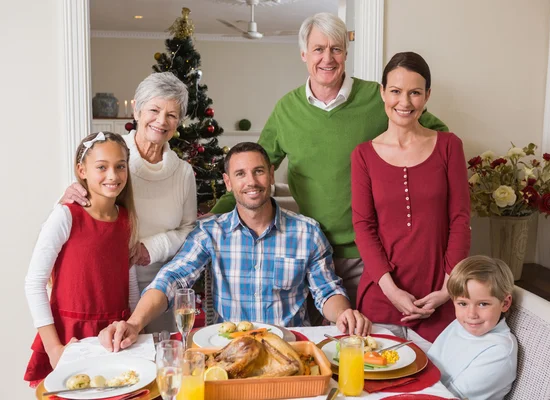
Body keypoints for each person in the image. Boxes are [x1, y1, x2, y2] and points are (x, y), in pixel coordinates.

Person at [210, 13, 448, 312]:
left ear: (346, 54)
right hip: (312, 251)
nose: (327, 58)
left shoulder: (379, 97)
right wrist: (214, 213)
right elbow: (253, 169)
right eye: (318, 49)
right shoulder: (287, 109)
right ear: (303, 54)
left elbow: (436, 134)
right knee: (324, 341)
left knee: (370, 341)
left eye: (336, 49)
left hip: (374, 252)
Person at [98, 142, 372, 352]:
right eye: (240, 174)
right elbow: (171, 279)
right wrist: (134, 323)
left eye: (258, 171)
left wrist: (344, 314)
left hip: (290, 350)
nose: (251, 182)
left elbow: (327, 291)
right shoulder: (211, 232)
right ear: (228, 183)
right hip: (228, 351)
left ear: (271, 175)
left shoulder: (307, 232)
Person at [60, 72, 197, 333]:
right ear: (136, 110)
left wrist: (150, 248)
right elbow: (79, 209)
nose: (161, 121)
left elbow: (189, 230)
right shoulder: (110, 158)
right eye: (154, 110)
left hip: (159, 285)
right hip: (106, 279)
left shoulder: (182, 173)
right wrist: (67, 197)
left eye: (171, 114)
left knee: (154, 358)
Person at [351, 52, 471, 350]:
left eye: (415, 92)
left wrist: (447, 288)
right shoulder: (363, 155)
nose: (404, 102)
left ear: (427, 96)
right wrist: (392, 292)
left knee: (439, 390)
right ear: (382, 92)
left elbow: (461, 219)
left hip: (441, 298)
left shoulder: (449, 146)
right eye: (395, 91)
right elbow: (363, 227)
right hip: (381, 299)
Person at [24, 132, 138, 383]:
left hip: (113, 336)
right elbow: (34, 283)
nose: (113, 175)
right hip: (70, 336)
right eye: (102, 167)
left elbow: (129, 280)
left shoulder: (126, 219)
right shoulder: (65, 216)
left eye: (120, 167)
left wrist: (135, 327)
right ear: (82, 170)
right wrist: (54, 349)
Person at [428, 255, 518, 400]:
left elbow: (451, 397)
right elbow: (429, 365)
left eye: (483, 304)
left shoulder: (500, 351)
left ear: (505, 303)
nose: (471, 314)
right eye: (462, 304)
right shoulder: (460, 325)